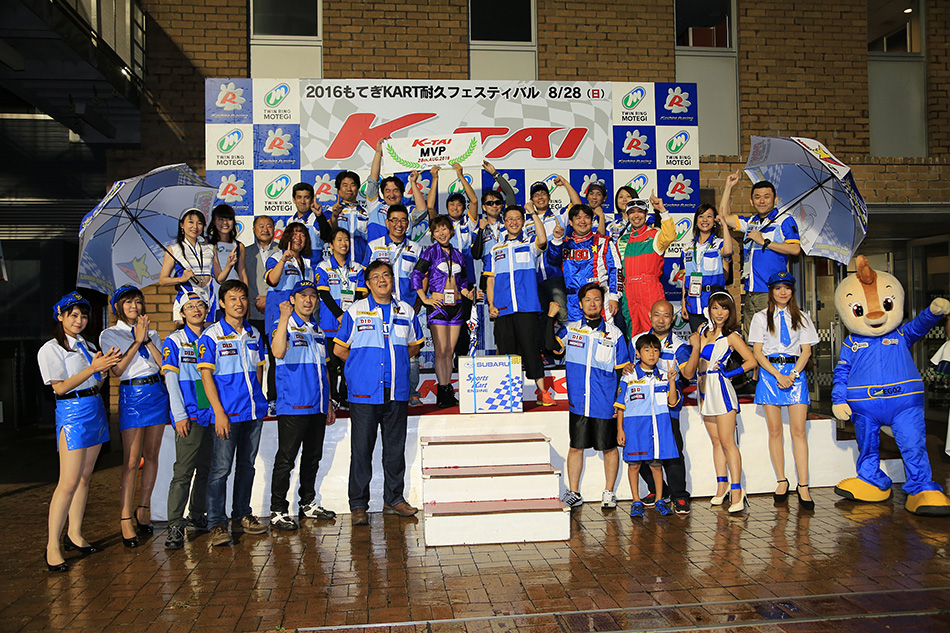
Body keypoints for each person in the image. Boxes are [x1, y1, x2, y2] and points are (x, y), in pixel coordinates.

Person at [334, 261, 424, 526]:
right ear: (368, 283)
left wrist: (396, 361)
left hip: (396, 390)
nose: (382, 280)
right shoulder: (355, 311)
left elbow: (414, 345)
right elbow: (339, 349)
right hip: (364, 393)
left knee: (394, 450)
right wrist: (362, 365)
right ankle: (358, 504)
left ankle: (393, 499)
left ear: (392, 279)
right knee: (362, 450)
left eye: (386, 275)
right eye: (376, 277)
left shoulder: (406, 310)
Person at [38, 292, 122, 571]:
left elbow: (93, 385)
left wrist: (102, 371)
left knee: (85, 477)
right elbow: (60, 387)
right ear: (60, 316)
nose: (79, 320)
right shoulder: (51, 349)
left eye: (83, 316)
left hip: (94, 410)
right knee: (68, 481)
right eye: (73, 315)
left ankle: (74, 533)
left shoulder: (87, 345)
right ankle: (52, 545)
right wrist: (93, 368)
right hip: (72, 414)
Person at [197, 280, 270, 546]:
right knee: (220, 470)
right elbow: (206, 377)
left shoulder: (254, 333)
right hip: (226, 415)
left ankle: (242, 514)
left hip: (252, 413)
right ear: (222, 303)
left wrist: (258, 399)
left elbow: (259, 368)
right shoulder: (211, 335)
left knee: (247, 466)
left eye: (242, 298)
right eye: (232, 299)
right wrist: (218, 413)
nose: (239, 304)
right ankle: (217, 523)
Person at [544, 284, 629, 509]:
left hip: (605, 403)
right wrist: (550, 318)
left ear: (602, 303)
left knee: (609, 447)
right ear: (580, 304)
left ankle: (609, 492)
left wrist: (619, 403)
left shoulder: (615, 334)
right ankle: (574, 492)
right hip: (579, 403)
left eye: (597, 299)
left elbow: (622, 372)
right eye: (588, 299)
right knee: (576, 447)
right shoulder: (571, 329)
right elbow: (550, 346)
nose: (593, 303)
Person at [99, 285, 169, 547]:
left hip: (156, 393)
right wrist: (136, 341)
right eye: (128, 302)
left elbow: (164, 366)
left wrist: (147, 339)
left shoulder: (153, 333)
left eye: (138, 301)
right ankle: (125, 517)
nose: (134, 306)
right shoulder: (110, 334)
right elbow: (117, 370)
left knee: (151, 455)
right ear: (118, 306)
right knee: (130, 461)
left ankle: (144, 508)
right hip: (132, 395)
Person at [269, 280, 337, 530]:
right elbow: (277, 352)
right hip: (293, 404)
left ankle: (307, 503)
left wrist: (327, 401)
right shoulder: (283, 325)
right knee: (286, 459)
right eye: (302, 295)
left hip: (317, 405)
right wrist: (283, 318)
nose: (308, 300)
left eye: (312, 296)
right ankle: (277, 510)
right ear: (293, 299)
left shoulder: (317, 329)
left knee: (312, 457)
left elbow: (325, 369)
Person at [749, 271, 819, 509]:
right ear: (771, 291)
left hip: (795, 374)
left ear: (792, 291)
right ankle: (781, 480)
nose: (782, 292)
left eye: (787, 288)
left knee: (799, 432)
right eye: (778, 288)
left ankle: (803, 485)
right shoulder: (760, 317)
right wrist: (778, 375)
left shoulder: (803, 317)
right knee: (775, 431)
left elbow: (806, 351)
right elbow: (757, 352)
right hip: (770, 374)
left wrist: (793, 375)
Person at [682, 290, 757, 513]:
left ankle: (737, 491)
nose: (720, 312)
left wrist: (730, 373)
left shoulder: (732, 336)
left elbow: (751, 361)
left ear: (730, 311)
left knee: (727, 442)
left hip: (721, 390)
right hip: (703, 390)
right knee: (716, 442)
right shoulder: (701, 331)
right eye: (715, 307)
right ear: (709, 309)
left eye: (724, 308)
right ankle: (721, 486)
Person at [485, 204, 556, 405]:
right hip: (503, 308)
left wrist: (533, 213)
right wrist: (491, 304)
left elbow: (543, 240)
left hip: (527, 307)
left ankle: (542, 392)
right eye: (510, 219)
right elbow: (490, 279)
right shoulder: (495, 249)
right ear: (504, 222)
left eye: (518, 218)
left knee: (531, 349)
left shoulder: (529, 244)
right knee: (507, 352)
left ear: (523, 222)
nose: (514, 222)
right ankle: (507, 393)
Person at [628, 300, 693, 515]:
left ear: (673, 319)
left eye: (666, 316)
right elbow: (628, 367)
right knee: (642, 453)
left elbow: (688, 373)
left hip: (667, 410)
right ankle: (659, 491)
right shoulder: (636, 341)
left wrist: (696, 348)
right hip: (640, 411)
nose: (661, 320)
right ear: (649, 315)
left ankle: (679, 495)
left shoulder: (680, 346)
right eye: (657, 314)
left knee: (672, 453)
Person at [720, 170, 802, 335]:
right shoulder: (751, 221)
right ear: (751, 201)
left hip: (770, 292)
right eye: (757, 197)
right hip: (750, 291)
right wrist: (728, 186)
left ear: (775, 199)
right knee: (751, 338)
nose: (762, 201)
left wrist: (764, 241)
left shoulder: (784, 220)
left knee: (771, 337)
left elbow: (795, 249)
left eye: (766, 196)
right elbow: (723, 217)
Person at [161, 292, 214, 550]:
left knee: (206, 469)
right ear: (182, 313)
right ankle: (175, 525)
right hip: (189, 415)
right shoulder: (174, 340)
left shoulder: (212, 336)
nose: (196, 310)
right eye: (189, 306)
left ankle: (197, 514)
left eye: (200, 305)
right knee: (183, 473)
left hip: (211, 414)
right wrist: (179, 414)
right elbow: (170, 380)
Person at [412, 215, 476, 408]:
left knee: (449, 351)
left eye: (444, 229)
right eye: (437, 230)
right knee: (440, 351)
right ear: (432, 234)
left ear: (451, 231)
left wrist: (468, 293)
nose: (441, 233)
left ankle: (448, 390)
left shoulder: (458, 255)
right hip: (438, 307)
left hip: (457, 306)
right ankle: (441, 391)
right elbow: (416, 275)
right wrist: (425, 299)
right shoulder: (430, 252)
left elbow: (462, 282)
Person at [615, 334, 680, 518]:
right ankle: (636, 501)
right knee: (634, 466)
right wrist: (620, 429)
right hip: (634, 429)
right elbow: (620, 405)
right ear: (637, 353)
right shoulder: (629, 376)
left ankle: (659, 500)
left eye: (655, 350)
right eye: (647, 350)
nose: (652, 354)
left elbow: (672, 402)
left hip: (657, 429)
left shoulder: (663, 376)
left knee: (656, 466)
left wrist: (672, 381)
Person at [365, 204, 425, 406]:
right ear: (387, 222)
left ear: (408, 223)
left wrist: (418, 302)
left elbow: (422, 277)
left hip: (406, 308)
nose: (399, 224)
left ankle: (411, 392)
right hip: (379, 308)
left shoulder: (416, 248)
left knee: (410, 351)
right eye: (395, 220)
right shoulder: (374, 246)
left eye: (403, 220)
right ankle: (380, 390)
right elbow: (365, 277)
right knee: (380, 349)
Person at [316, 227, 367, 407]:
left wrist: (348, 316)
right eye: (339, 240)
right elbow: (324, 294)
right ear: (331, 245)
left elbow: (360, 294)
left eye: (346, 240)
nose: (343, 243)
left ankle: (346, 396)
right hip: (330, 322)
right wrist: (339, 315)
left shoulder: (357, 268)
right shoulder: (323, 267)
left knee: (348, 362)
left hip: (350, 323)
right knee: (331, 364)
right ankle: (333, 397)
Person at [545, 203, 621, 322]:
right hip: (573, 300)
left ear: (591, 220)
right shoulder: (564, 244)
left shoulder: (603, 242)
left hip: (599, 298)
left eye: (586, 217)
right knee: (577, 332)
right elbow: (553, 260)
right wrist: (557, 239)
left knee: (603, 331)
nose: (582, 221)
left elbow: (615, 269)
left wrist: (614, 296)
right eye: (578, 217)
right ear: (571, 222)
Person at [617, 193, 677, 337]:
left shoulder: (655, 234)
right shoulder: (622, 240)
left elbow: (670, 236)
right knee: (632, 331)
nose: (636, 215)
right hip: (629, 291)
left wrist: (662, 210)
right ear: (627, 215)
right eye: (632, 212)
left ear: (645, 214)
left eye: (640, 211)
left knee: (654, 330)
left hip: (650, 289)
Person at [527, 177, 581, 327]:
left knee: (564, 317)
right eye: (536, 195)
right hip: (535, 279)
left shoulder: (559, 215)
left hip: (556, 276)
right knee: (541, 322)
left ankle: (569, 342)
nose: (540, 197)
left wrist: (566, 184)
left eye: (543, 193)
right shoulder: (526, 223)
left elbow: (578, 206)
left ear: (549, 196)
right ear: (532, 200)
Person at [680, 203, 734, 333]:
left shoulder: (719, 243)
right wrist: (683, 302)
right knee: (697, 340)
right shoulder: (686, 248)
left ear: (714, 221)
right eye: (701, 216)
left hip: (713, 302)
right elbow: (685, 277)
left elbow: (727, 251)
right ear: (696, 221)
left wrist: (724, 225)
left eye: (709, 216)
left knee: (715, 340)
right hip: (693, 303)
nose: (705, 220)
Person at [245, 215, 281, 404]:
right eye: (261, 226)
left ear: (274, 229)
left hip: (275, 314)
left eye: (269, 226)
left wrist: (270, 300)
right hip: (253, 313)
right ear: (253, 229)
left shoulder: (282, 252)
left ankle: (274, 398)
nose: (265, 229)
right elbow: (242, 281)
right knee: (253, 359)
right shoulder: (245, 252)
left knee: (276, 357)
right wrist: (254, 302)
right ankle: (254, 398)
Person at [159, 208, 216, 322]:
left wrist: (229, 265)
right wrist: (181, 279)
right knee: (187, 332)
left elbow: (219, 278)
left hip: (208, 298)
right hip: (186, 298)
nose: (195, 226)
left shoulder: (210, 248)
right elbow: (162, 280)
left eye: (199, 223)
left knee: (208, 332)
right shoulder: (174, 249)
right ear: (182, 225)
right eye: (191, 222)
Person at [265, 222, 314, 339]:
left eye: (302, 235)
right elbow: (272, 281)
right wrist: (283, 260)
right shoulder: (276, 257)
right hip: (279, 317)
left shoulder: (307, 264)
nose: (298, 238)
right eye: (295, 234)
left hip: (301, 320)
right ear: (288, 236)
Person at [207, 204, 248, 301]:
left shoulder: (238, 246)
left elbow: (242, 274)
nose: (225, 223)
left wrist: (246, 298)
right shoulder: (207, 244)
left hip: (235, 292)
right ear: (214, 221)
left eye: (229, 219)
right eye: (220, 219)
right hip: (213, 292)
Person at [289, 182, 333, 268]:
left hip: (315, 269)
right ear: (294, 200)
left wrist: (319, 216)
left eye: (306, 197)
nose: (302, 201)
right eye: (299, 197)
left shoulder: (316, 218)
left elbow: (327, 236)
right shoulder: (290, 221)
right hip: (296, 270)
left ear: (312, 199)